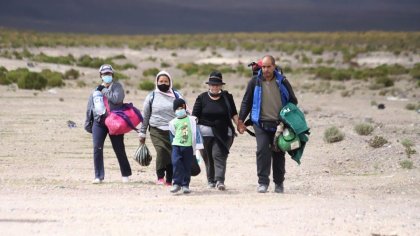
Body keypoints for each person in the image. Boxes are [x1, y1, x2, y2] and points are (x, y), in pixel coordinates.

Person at [237, 55, 298, 193]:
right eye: (263, 67)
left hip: (279, 124)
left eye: (268, 66)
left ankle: (279, 183)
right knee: (262, 150)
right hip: (260, 122)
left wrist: (287, 118)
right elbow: (246, 101)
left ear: (274, 67)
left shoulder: (282, 81)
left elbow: (293, 101)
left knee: (278, 152)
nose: (265, 69)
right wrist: (241, 120)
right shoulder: (255, 81)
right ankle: (263, 182)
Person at [84, 64, 132, 184]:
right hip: (99, 122)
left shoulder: (118, 87)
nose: (107, 76)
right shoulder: (96, 90)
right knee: (97, 148)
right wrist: (87, 123)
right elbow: (90, 107)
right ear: (101, 75)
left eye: (109, 74)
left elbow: (116, 99)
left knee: (119, 148)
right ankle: (98, 176)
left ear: (112, 75)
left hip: (114, 122)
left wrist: (104, 90)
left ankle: (125, 174)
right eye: (105, 74)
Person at [192, 71, 239, 191]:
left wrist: (239, 125)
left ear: (221, 86)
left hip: (224, 132)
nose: (214, 87)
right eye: (212, 84)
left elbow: (233, 114)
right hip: (204, 133)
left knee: (218, 155)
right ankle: (210, 180)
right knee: (207, 157)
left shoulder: (227, 98)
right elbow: (194, 116)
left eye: (217, 85)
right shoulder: (201, 98)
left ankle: (219, 181)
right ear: (209, 85)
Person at [139, 71, 183, 186]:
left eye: (166, 81)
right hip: (156, 129)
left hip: (174, 130)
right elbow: (146, 115)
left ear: (170, 82)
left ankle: (169, 179)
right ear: (157, 82)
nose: (163, 83)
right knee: (162, 151)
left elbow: (184, 111)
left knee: (172, 154)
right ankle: (160, 176)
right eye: (161, 81)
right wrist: (142, 133)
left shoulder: (176, 95)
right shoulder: (151, 96)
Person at [168, 98, 203, 194]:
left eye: (182, 107)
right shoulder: (172, 123)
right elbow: (172, 135)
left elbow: (197, 133)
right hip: (176, 146)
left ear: (185, 107)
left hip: (188, 147)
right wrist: (174, 145)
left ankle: (185, 185)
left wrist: (198, 146)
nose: (180, 110)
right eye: (177, 108)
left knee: (187, 166)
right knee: (176, 163)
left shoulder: (192, 120)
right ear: (174, 110)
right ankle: (176, 184)